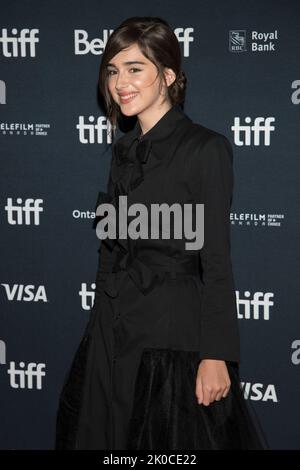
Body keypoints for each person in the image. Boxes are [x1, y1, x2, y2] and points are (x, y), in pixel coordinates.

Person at [55, 16, 268, 450]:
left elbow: (217, 261)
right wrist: (98, 330)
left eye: (135, 68)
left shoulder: (205, 149)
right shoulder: (123, 150)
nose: (120, 82)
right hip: (112, 328)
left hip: (171, 333)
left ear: (168, 75)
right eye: (113, 70)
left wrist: (216, 355)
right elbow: (113, 250)